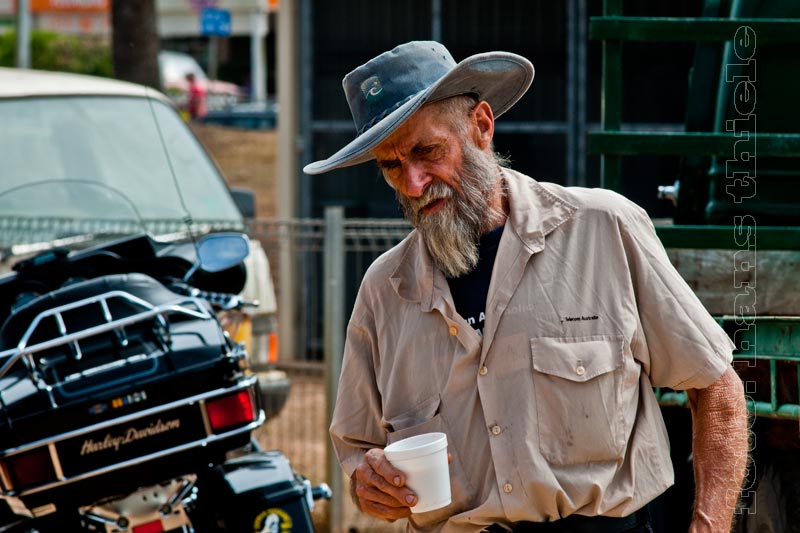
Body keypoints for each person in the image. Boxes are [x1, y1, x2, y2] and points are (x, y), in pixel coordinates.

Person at [305, 41, 748, 532]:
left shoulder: (604, 229)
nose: (412, 183)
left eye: (427, 151)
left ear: (481, 126)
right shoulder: (384, 290)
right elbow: (359, 454)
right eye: (390, 166)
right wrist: (370, 487)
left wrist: (709, 526)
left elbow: (716, 387)